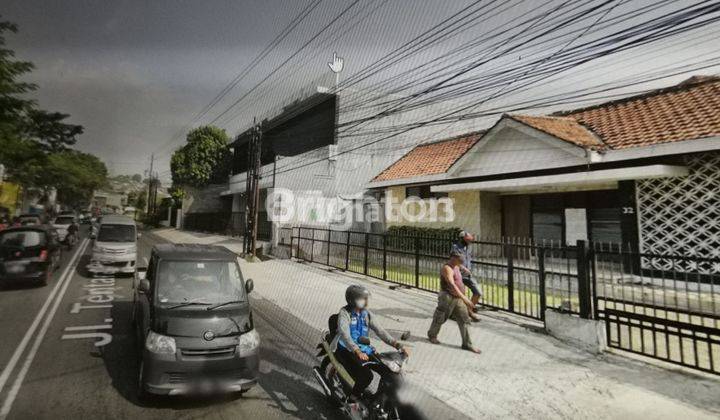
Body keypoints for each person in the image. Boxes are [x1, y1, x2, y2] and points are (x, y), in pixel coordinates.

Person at [334, 284, 407, 400]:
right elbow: (345, 334)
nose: (366, 302)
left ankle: (377, 399)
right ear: (352, 300)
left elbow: (380, 331)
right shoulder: (345, 313)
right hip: (347, 349)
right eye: (362, 299)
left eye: (366, 299)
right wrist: (357, 351)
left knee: (388, 371)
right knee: (366, 376)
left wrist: (397, 344)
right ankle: (353, 399)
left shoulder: (366, 314)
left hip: (364, 349)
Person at [428, 250, 481, 354]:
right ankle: (432, 335)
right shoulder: (447, 268)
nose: (462, 260)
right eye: (460, 259)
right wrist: (465, 298)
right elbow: (452, 285)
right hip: (447, 297)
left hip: (458, 299)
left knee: (464, 320)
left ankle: (467, 344)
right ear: (453, 258)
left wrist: (465, 269)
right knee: (440, 317)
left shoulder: (456, 266)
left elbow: (461, 268)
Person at [452, 230, 482, 321]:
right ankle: (464, 314)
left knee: (478, 293)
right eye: (468, 239)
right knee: (460, 296)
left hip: (468, 275)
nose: (470, 241)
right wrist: (463, 268)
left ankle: (468, 310)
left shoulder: (468, 248)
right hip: (458, 275)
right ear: (462, 239)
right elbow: (454, 261)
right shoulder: (455, 247)